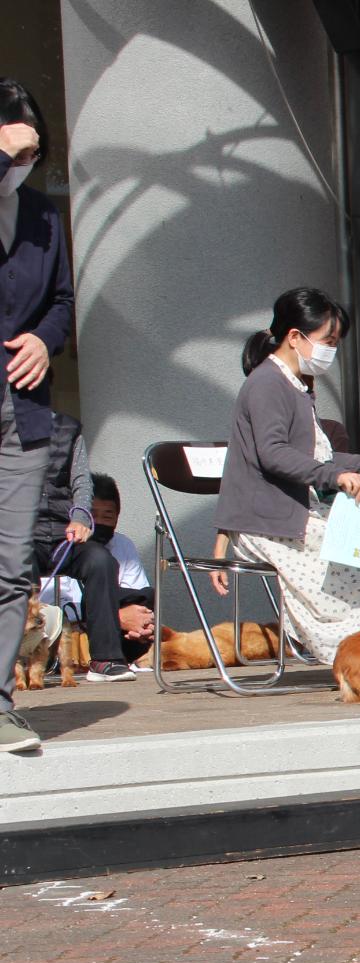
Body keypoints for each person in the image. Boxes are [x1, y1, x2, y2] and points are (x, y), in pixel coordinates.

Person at [213, 287, 360, 661]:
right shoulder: (268, 384)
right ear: (295, 337)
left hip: (289, 513)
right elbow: (274, 454)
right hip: (270, 521)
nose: (331, 350)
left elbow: (323, 457)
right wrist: (336, 478)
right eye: (328, 341)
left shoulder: (295, 386)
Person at [0, 78, 76, 751]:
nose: (20, 163)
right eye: (10, 150)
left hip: (21, 410)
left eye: (30, 153)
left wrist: (43, 342)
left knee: (10, 564)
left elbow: (61, 302)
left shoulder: (43, 217)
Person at [30, 413, 136, 680]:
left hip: (64, 535)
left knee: (101, 561)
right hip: (20, 534)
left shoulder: (67, 429)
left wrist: (79, 518)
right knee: (15, 565)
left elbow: (81, 481)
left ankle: (105, 660)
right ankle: (18, 663)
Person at [84, 473, 156, 663]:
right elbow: (62, 608)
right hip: (79, 631)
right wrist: (117, 617)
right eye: (92, 515)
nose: (98, 522)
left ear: (117, 516)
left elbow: (138, 595)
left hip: (120, 633)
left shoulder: (123, 545)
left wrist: (141, 622)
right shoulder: (66, 546)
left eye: (107, 516)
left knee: (148, 596)